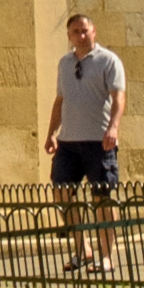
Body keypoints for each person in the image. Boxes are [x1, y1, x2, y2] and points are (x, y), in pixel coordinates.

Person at [45, 14, 127, 272]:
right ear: (69, 36)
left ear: (94, 31)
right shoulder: (64, 63)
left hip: (98, 141)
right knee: (62, 194)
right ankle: (82, 250)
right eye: (75, 31)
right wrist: (50, 133)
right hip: (68, 142)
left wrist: (113, 127)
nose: (81, 35)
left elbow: (118, 97)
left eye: (85, 30)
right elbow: (60, 100)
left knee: (102, 198)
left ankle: (106, 255)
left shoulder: (108, 60)